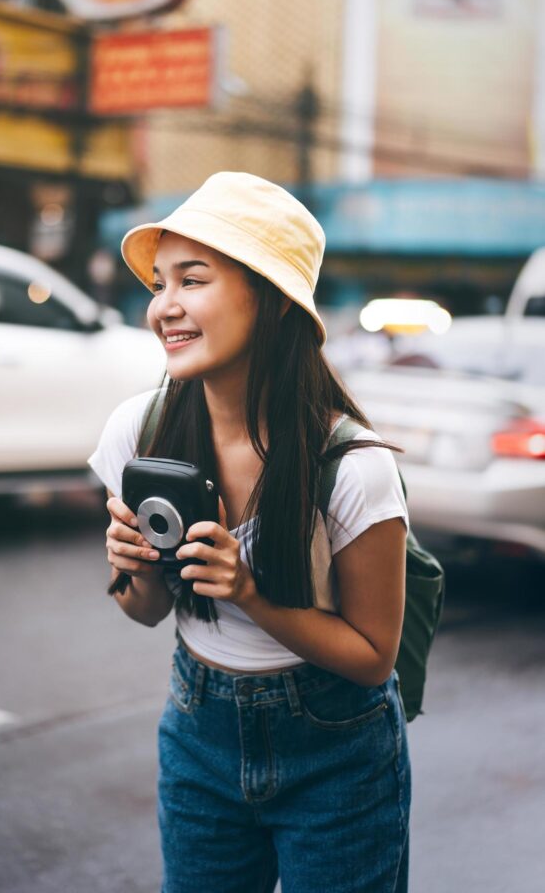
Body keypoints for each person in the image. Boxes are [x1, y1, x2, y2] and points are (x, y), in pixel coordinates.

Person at [88, 172, 411, 893]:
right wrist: (134, 568)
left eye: (192, 280)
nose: (163, 308)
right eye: (158, 284)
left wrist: (250, 594)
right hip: (198, 736)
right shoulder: (138, 432)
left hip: (336, 750)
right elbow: (144, 612)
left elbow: (370, 657)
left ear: (268, 298)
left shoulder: (351, 467)